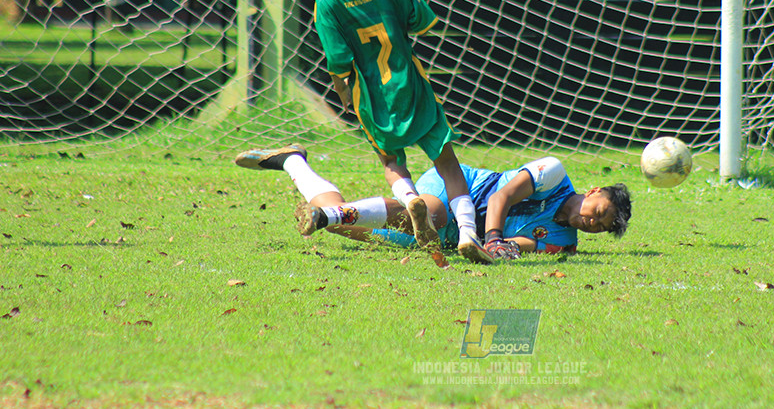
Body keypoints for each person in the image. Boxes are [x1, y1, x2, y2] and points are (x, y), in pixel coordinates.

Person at [308, 0, 490, 264]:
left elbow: (338, 62)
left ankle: (410, 201)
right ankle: (469, 234)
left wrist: (343, 94)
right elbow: (421, 20)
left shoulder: (327, 4)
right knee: (448, 166)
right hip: (413, 88)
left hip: (375, 99)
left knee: (392, 162)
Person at [234, 145, 632, 260]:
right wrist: (492, 236)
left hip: (450, 241)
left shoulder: (566, 242)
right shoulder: (556, 173)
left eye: (599, 227)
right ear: (594, 192)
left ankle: (293, 161)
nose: (591, 222)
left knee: (345, 226)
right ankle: (407, 206)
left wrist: (502, 251)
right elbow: (501, 196)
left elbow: (525, 246)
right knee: (428, 213)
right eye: (598, 213)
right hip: (457, 191)